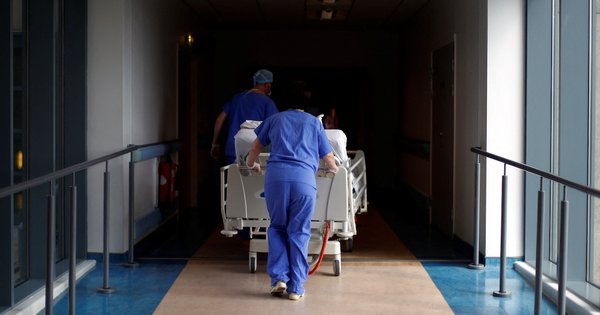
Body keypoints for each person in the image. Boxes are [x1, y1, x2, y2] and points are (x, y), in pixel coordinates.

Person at [245, 83, 338, 301]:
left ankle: (279, 279)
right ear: (307, 103)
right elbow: (328, 157)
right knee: (299, 231)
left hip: (276, 180)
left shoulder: (275, 119)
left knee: (277, 227)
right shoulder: (314, 123)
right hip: (304, 182)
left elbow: (255, 148)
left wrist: (252, 165)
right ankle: (296, 288)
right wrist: (333, 170)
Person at [211, 69, 279, 164]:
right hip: (255, 150)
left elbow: (219, 120)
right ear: (267, 85)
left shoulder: (236, 98)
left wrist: (214, 144)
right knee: (253, 178)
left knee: (233, 178)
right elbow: (276, 127)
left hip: (233, 148)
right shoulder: (267, 102)